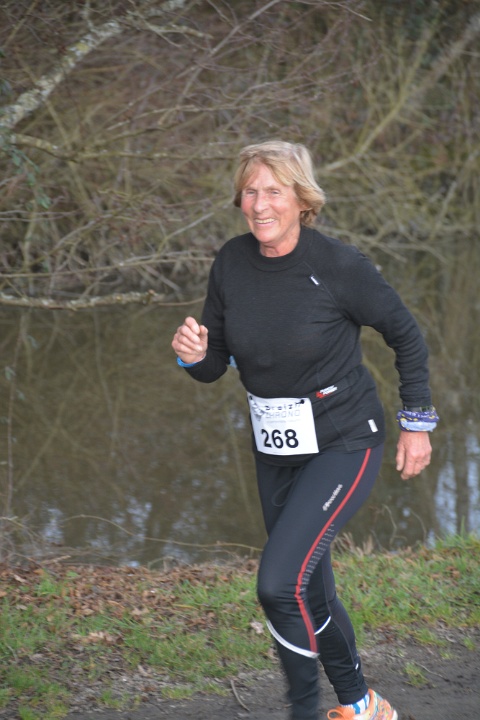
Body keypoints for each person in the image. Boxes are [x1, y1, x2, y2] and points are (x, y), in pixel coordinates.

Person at [171, 140, 438, 720]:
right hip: (275, 445)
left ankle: (303, 711)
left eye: (273, 191)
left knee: (277, 584)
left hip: (344, 438)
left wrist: (416, 423)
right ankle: (362, 704)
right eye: (250, 191)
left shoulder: (338, 266)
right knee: (307, 588)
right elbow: (215, 363)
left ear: (301, 199)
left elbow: (406, 335)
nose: (259, 204)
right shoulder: (231, 262)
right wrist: (192, 355)